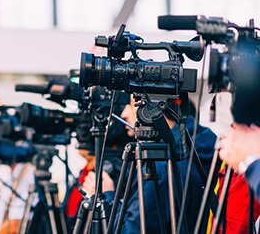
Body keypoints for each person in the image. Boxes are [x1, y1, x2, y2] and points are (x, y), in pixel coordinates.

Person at [83, 95, 217, 233]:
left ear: (154, 110)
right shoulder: (202, 147)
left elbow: (132, 231)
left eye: (131, 105)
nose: (124, 114)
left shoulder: (160, 166)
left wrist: (108, 197)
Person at [0, 162, 35, 234]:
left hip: (15, 223)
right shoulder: (31, 172)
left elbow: (1, 204)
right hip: (31, 222)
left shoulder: (17, 175)